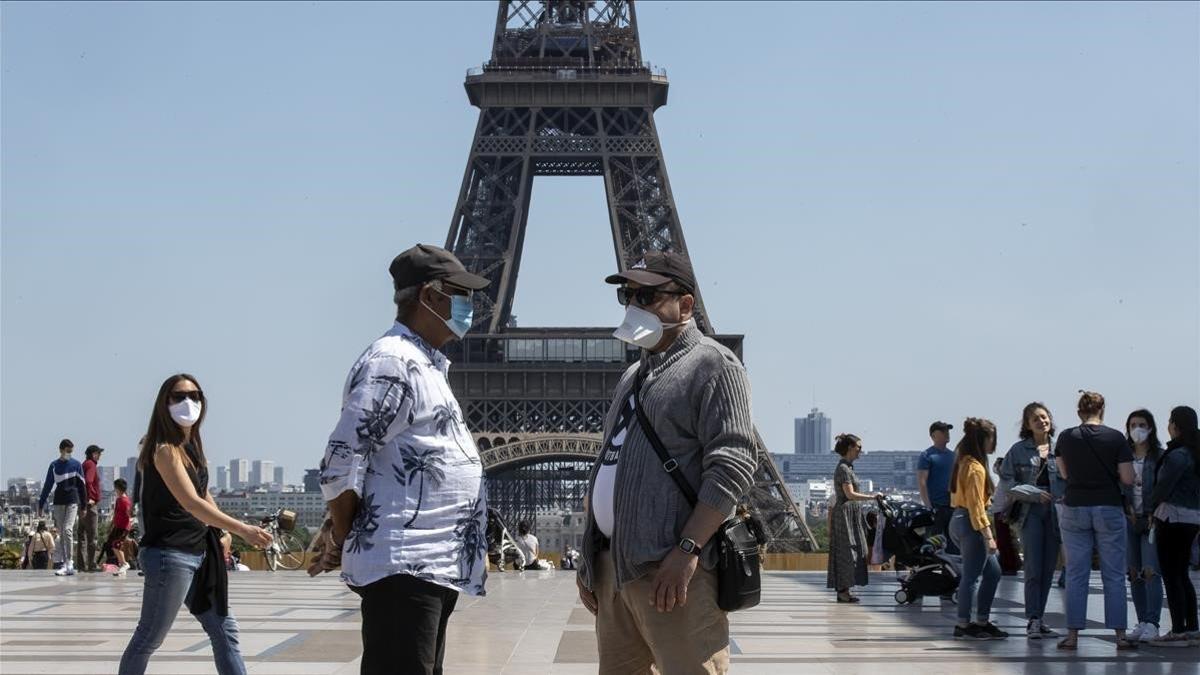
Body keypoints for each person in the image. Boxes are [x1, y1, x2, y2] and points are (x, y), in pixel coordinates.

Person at [307, 244, 491, 675]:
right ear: (429, 296)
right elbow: (340, 459)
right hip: (405, 566)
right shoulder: (393, 361)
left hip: (429, 566)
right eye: (459, 292)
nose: (470, 304)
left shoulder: (425, 362)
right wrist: (344, 533)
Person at [576, 251, 758, 675]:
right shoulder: (631, 378)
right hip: (615, 574)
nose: (634, 306)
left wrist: (687, 549)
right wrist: (590, 559)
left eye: (648, 296)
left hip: (672, 573)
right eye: (628, 295)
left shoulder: (714, 365)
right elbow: (609, 463)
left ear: (686, 305)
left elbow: (732, 464)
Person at [119, 374, 272, 675]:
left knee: (224, 631)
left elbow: (203, 494)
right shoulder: (164, 449)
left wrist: (223, 530)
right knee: (149, 637)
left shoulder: (191, 446)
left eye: (195, 395)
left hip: (200, 552)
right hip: (169, 555)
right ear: (164, 403)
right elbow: (191, 503)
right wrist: (244, 530)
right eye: (179, 396)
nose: (188, 402)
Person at [1053, 391, 1136, 650]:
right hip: (1108, 506)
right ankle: (1120, 636)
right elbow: (1127, 478)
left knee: (1077, 573)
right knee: (1113, 574)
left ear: (1079, 412)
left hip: (1075, 506)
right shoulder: (1116, 438)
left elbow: (1064, 472)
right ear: (1102, 410)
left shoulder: (1066, 437)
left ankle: (1073, 636)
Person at [999, 402, 1065, 639]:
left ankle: (1040, 615)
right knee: (1033, 567)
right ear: (1027, 424)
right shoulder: (1018, 451)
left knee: (1049, 568)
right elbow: (1007, 483)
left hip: (1056, 513)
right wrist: (1033, 493)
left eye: (1044, 417)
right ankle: (1033, 618)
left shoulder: (1061, 449)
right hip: (1030, 513)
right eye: (1035, 418)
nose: (1041, 421)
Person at [948, 417, 1008, 640]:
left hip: (961, 519)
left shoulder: (964, 461)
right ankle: (964, 624)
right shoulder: (974, 468)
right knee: (971, 577)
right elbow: (976, 506)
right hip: (970, 522)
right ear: (983, 439)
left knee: (993, 572)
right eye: (992, 438)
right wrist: (988, 535)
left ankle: (981, 620)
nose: (994, 443)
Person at [1146, 406, 1200, 646]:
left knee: (1171, 574)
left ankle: (1177, 630)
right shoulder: (1195, 451)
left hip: (1172, 517)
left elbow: (1163, 487)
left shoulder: (1178, 454)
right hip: (1193, 519)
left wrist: (1149, 508)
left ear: (1176, 425)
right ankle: (1192, 628)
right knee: (1182, 574)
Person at [1123, 409, 1164, 642]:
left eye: (1142, 424)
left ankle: (1153, 622)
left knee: (1151, 571)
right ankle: (1141, 621)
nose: (1137, 429)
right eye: (1133, 424)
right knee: (1134, 572)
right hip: (1129, 519)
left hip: (1151, 520)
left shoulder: (1159, 456)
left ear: (1150, 428)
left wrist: (1154, 511)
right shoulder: (1124, 455)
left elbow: (1164, 486)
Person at [827, 434, 880, 603]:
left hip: (849, 514)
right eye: (858, 447)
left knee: (853, 550)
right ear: (850, 448)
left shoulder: (848, 467)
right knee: (847, 551)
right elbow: (849, 494)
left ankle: (845, 590)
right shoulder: (843, 469)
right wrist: (872, 497)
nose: (860, 451)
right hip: (845, 515)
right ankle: (843, 591)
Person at [37, 439, 86, 576]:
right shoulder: (54, 466)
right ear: (61, 450)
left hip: (72, 500)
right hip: (58, 502)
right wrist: (41, 504)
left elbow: (82, 486)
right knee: (62, 533)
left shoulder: (76, 465)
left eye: (71, 451)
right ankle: (65, 563)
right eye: (67, 451)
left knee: (67, 529)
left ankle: (69, 562)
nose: (69, 454)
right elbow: (48, 486)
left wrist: (84, 505)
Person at [918, 421, 957, 553]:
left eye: (948, 430)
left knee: (954, 545)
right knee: (933, 544)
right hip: (936, 508)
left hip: (953, 507)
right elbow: (922, 482)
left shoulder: (953, 456)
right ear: (934, 435)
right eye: (943, 431)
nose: (947, 433)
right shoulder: (926, 456)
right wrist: (928, 506)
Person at [75, 444, 104, 573]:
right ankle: (92, 564)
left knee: (81, 536)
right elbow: (88, 481)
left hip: (81, 504)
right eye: (99, 454)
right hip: (89, 505)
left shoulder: (84, 464)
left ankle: (81, 565)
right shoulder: (91, 465)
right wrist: (90, 498)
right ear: (94, 454)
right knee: (92, 536)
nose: (100, 456)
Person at [101, 477, 134, 576]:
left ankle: (124, 563)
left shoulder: (125, 501)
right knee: (113, 545)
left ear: (118, 488)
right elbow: (116, 514)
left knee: (116, 545)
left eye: (115, 488)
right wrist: (111, 525)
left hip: (123, 528)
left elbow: (129, 513)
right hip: (117, 527)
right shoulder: (119, 500)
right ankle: (122, 565)